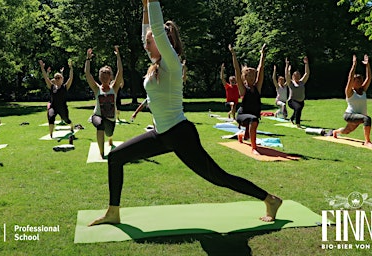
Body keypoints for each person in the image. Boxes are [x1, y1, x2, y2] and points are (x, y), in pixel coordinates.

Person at [88, 0, 282, 226]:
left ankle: (270, 199)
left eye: (151, 42)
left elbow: (156, 32)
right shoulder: (157, 63)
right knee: (116, 157)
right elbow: (147, 35)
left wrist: (152, 3)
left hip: (180, 135)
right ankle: (113, 212)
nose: (146, 45)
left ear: (164, 43)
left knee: (218, 177)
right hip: (161, 134)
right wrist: (144, 9)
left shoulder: (171, 62)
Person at [85, 46, 124, 159]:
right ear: (100, 77)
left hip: (111, 120)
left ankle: (110, 139)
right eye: (102, 77)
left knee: (109, 134)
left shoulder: (114, 88)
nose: (105, 79)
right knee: (99, 125)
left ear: (110, 77)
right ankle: (101, 153)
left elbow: (120, 71)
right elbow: (87, 74)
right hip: (97, 116)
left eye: (106, 77)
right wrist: (88, 59)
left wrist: (118, 56)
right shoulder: (97, 89)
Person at [231, 44, 266, 155]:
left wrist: (262, 55)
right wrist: (233, 54)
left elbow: (260, 70)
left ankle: (241, 135)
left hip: (252, 116)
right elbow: (237, 71)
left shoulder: (257, 88)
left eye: (253, 76)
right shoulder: (243, 89)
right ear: (245, 77)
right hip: (242, 116)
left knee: (252, 123)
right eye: (249, 76)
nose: (252, 78)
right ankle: (254, 148)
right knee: (254, 120)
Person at [332, 54, 372, 147]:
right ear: (353, 83)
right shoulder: (349, 92)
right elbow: (350, 78)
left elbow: (369, 78)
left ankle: (335, 131)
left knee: (347, 131)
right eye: (357, 81)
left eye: (360, 80)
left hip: (358, 116)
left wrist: (367, 65)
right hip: (349, 115)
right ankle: (367, 141)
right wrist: (354, 64)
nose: (360, 82)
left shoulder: (363, 90)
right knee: (367, 119)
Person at [39, 59, 74, 138]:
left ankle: (71, 125)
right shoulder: (52, 87)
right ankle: (51, 134)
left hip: (63, 108)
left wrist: (71, 68)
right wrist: (42, 68)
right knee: (51, 117)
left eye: (59, 78)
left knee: (66, 120)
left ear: (62, 79)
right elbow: (45, 77)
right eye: (56, 78)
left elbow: (71, 78)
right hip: (53, 107)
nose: (57, 79)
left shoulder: (65, 87)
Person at [286, 56, 310, 128]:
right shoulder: (291, 83)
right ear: (293, 76)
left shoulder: (302, 82)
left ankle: (291, 119)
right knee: (298, 108)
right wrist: (287, 67)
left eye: (298, 75)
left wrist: (306, 64)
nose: (297, 77)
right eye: (295, 76)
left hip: (301, 101)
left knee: (298, 109)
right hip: (292, 101)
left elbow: (307, 73)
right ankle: (298, 124)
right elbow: (287, 75)